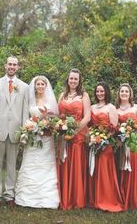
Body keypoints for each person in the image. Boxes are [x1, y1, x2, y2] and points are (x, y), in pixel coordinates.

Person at [0, 56, 29, 208]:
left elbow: (25, 110)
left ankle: (9, 194)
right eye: (9, 64)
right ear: (5, 66)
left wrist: (25, 131)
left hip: (15, 132)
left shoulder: (24, 86)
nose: (12, 66)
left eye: (14, 65)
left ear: (18, 67)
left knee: (12, 165)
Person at [15, 76, 60, 209]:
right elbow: (28, 116)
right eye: (38, 84)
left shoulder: (50, 100)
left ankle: (48, 197)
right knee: (31, 161)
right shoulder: (30, 99)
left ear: (46, 86)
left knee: (46, 163)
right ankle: (27, 197)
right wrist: (29, 127)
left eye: (42, 84)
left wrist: (47, 124)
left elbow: (54, 118)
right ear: (34, 86)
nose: (40, 86)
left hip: (46, 137)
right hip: (33, 136)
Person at [57, 68, 91, 210]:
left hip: (78, 136)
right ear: (68, 79)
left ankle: (76, 198)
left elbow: (87, 116)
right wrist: (62, 128)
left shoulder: (84, 95)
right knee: (64, 162)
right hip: (64, 135)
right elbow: (59, 115)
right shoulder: (62, 95)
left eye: (76, 79)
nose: (73, 81)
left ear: (79, 81)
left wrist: (74, 131)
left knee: (76, 164)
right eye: (71, 78)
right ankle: (63, 196)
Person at [88, 82, 123, 212]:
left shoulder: (111, 107)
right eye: (97, 91)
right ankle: (94, 198)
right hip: (94, 141)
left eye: (102, 91)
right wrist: (93, 138)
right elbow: (90, 125)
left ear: (106, 92)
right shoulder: (92, 107)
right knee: (94, 169)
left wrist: (102, 139)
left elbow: (113, 128)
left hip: (105, 144)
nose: (99, 94)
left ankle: (106, 198)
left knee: (104, 170)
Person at [115, 83, 137, 210]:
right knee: (122, 169)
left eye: (126, 91)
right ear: (119, 93)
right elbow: (115, 127)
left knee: (134, 171)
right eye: (122, 91)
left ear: (130, 94)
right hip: (121, 144)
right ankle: (123, 197)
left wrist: (133, 141)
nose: (124, 93)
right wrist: (122, 140)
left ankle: (134, 198)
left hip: (134, 144)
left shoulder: (136, 107)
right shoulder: (115, 109)